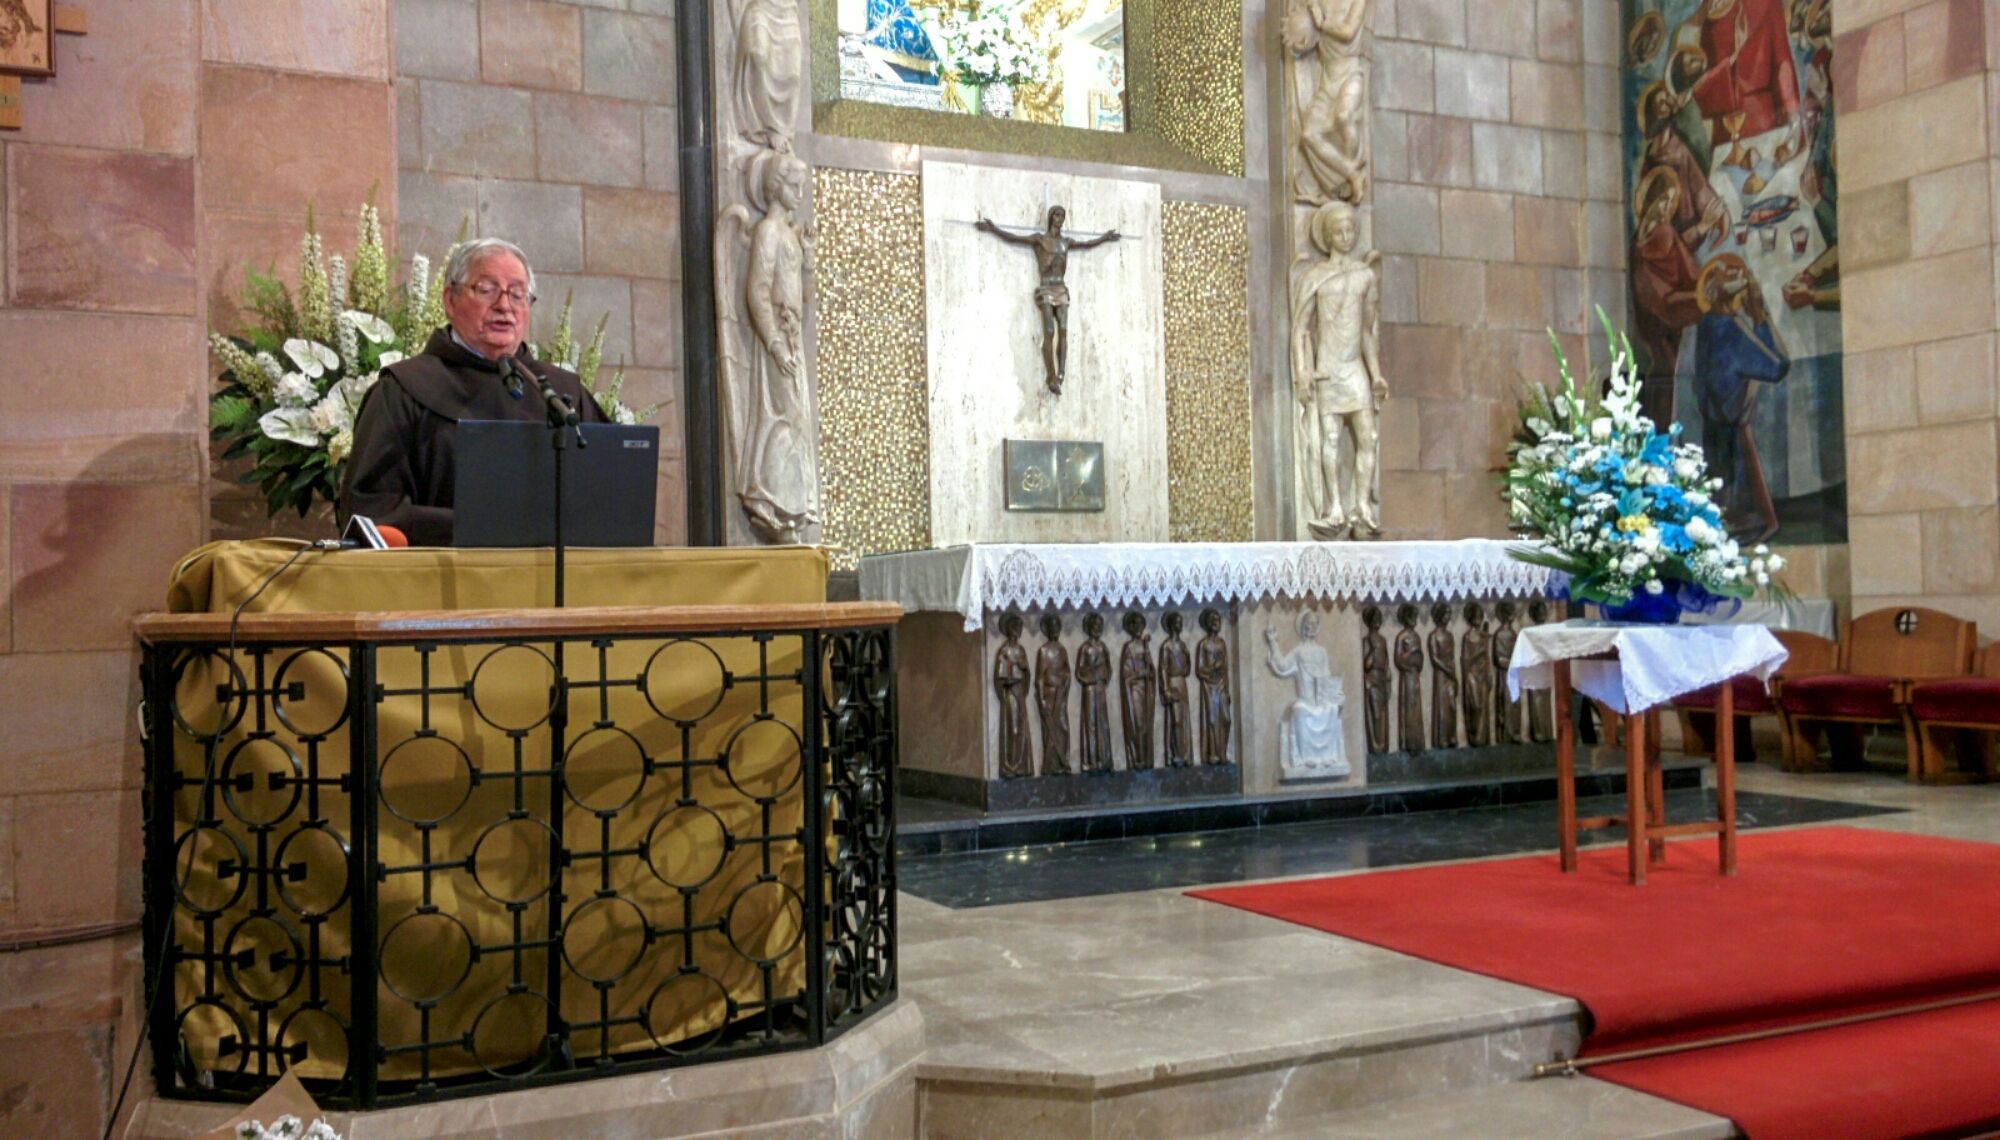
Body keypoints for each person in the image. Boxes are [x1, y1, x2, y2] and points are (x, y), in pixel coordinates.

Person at [338, 238, 608, 546]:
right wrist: (479, 527)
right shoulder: (403, 389)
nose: (504, 306)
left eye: (518, 295)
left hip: (550, 585)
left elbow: (607, 496)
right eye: (486, 289)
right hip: (441, 581)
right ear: (450, 300)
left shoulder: (561, 393)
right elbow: (371, 511)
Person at [1694, 254, 1790, 542]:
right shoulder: (1731, 330)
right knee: (1741, 512)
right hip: (1732, 433)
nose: (1737, 274)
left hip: (1715, 425)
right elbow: (1777, 366)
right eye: (1726, 273)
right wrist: (1760, 315)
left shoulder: (1708, 324)